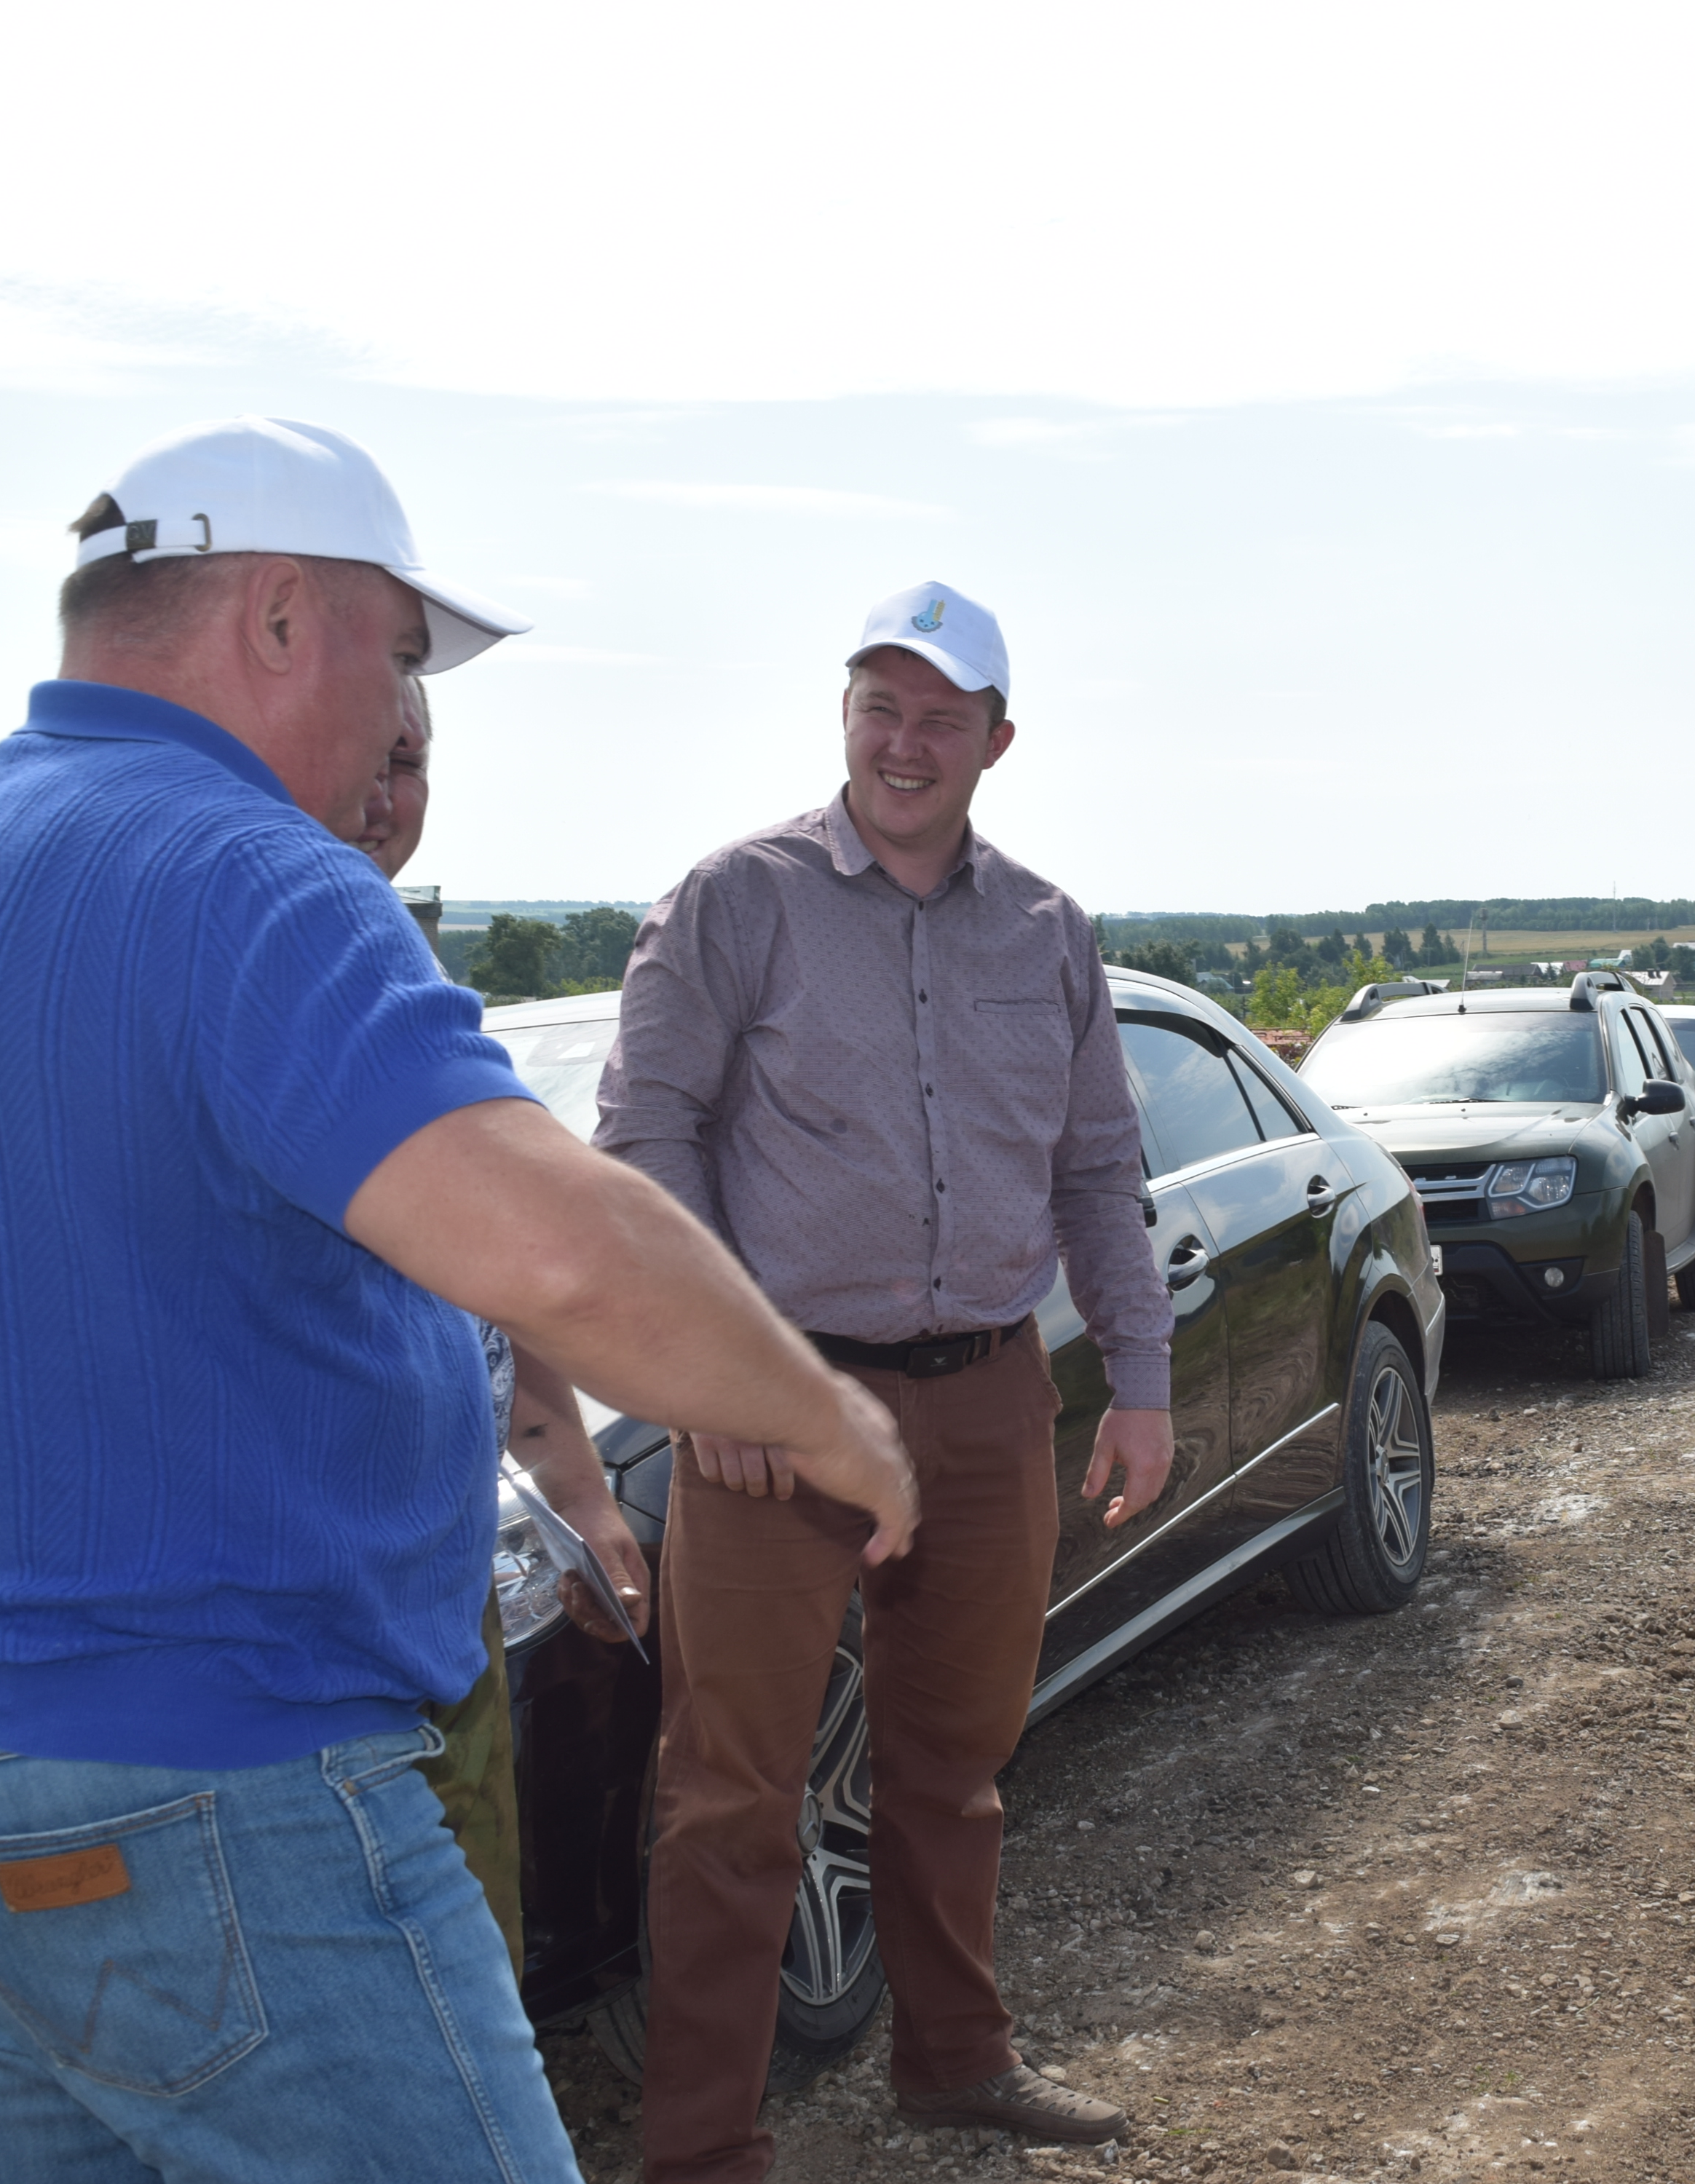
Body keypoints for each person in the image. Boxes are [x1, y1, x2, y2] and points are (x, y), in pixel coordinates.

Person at [0, 416, 914, 2184]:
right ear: (274, 619)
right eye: (396, 651)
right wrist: (827, 1413)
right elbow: (559, 1248)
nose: (403, 709)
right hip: (207, 1790)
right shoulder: (244, 870)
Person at [596, 581, 1177, 2179]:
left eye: (938, 717)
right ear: (843, 718)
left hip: (987, 1398)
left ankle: (956, 2063)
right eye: (879, 707)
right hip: (778, 1407)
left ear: (998, 741)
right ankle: (700, 2150)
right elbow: (644, 1141)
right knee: (731, 1796)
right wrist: (713, 1378)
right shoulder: (737, 901)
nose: (903, 743)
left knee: (958, 1765)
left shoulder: (1047, 930)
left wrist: (1138, 1377)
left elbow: (1097, 1168)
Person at [356, 675, 658, 1976]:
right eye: (362, 754)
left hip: (448, 1574)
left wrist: (581, 1498)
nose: (384, 797)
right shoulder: (245, 973)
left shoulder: (410, 971)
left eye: (410, 762)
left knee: (471, 1942)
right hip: (319, 1617)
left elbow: (506, 1278)